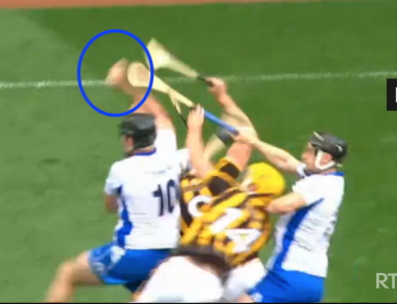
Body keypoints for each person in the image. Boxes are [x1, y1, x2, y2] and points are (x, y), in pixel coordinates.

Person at [43, 59, 181, 302]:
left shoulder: (121, 170)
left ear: (129, 140)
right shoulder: (170, 154)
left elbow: (110, 206)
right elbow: (160, 114)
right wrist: (127, 87)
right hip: (168, 254)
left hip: (132, 253)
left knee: (68, 272)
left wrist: (125, 86)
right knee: (140, 296)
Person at [132, 108, 285, 303]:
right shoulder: (254, 215)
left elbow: (198, 161)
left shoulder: (177, 192)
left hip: (188, 264)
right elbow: (231, 150)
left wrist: (196, 131)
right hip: (234, 270)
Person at [176, 79, 267, 302]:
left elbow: (197, 159)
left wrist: (196, 137)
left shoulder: (176, 191)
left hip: (200, 271)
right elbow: (247, 136)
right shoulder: (221, 181)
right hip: (237, 263)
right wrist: (223, 98)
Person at [236, 131, 347, 303]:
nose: (304, 156)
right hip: (312, 280)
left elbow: (280, 206)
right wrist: (253, 142)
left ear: (325, 158)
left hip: (289, 273)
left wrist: (245, 195)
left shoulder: (319, 184)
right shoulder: (331, 180)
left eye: (309, 152)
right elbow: (286, 161)